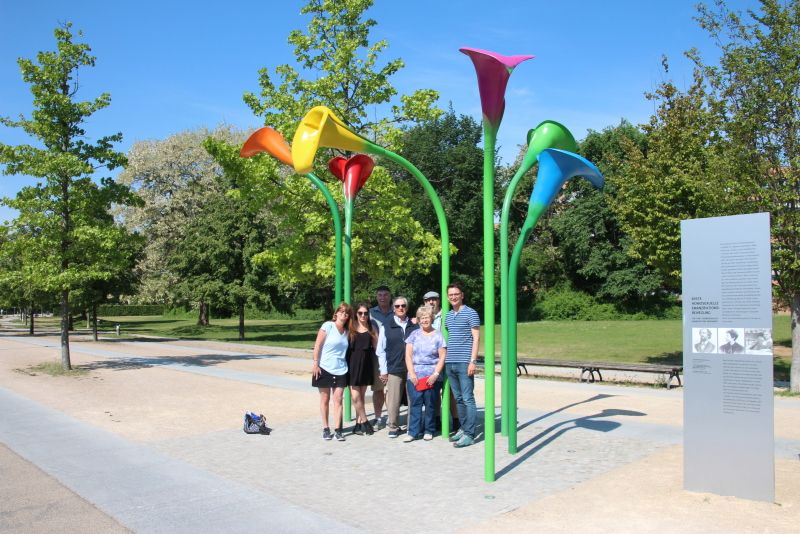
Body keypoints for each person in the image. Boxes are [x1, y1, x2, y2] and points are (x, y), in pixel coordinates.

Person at [376, 296, 419, 438]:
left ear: (407, 307)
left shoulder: (415, 326)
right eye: (397, 306)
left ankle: (412, 427)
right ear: (393, 308)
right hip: (394, 367)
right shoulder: (386, 325)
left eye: (403, 306)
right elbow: (380, 350)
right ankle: (393, 426)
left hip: (412, 368)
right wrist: (383, 370)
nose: (400, 308)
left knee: (413, 399)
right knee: (393, 400)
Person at [444, 282, 480, 448]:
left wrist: (473, 361)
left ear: (462, 295)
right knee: (458, 399)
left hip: (464, 362)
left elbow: (476, 338)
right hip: (450, 362)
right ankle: (463, 428)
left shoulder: (471, 313)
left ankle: (470, 434)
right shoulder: (449, 316)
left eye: (456, 294)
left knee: (467, 398)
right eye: (450, 294)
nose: (453, 297)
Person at [403, 305, 446, 442]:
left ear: (431, 318)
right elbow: (408, 356)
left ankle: (429, 429)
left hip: (432, 376)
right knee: (415, 403)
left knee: (430, 404)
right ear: (419, 320)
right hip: (415, 375)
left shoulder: (439, 336)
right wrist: (412, 374)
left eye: (427, 317)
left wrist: (435, 375)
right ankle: (413, 431)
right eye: (422, 318)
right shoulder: (413, 335)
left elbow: (442, 357)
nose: (424, 320)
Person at [311, 302, 351, 441]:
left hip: (341, 369)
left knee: (338, 399)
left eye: (346, 313)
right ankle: (326, 428)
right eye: (341, 311)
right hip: (324, 368)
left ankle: (338, 429)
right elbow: (317, 345)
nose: (343, 314)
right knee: (325, 398)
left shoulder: (347, 332)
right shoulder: (328, 326)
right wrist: (315, 363)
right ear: (336, 313)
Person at [347, 302, 377, 435]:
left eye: (365, 313)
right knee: (355, 397)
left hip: (366, 365)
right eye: (360, 313)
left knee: (362, 397)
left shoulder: (371, 328)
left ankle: (358, 425)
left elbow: (377, 348)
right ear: (356, 314)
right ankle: (365, 422)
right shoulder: (351, 328)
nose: (363, 315)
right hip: (352, 365)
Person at [369, 285, 393, 428]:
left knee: (392, 388)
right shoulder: (370, 313)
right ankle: (378, 417)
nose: (383, 297)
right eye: (380, 295)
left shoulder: (396, 311)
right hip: (376, 356)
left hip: (393, 355)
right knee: (378, 388)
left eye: (385, 295)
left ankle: (392, 416)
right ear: (376, 297)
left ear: (390, 296)